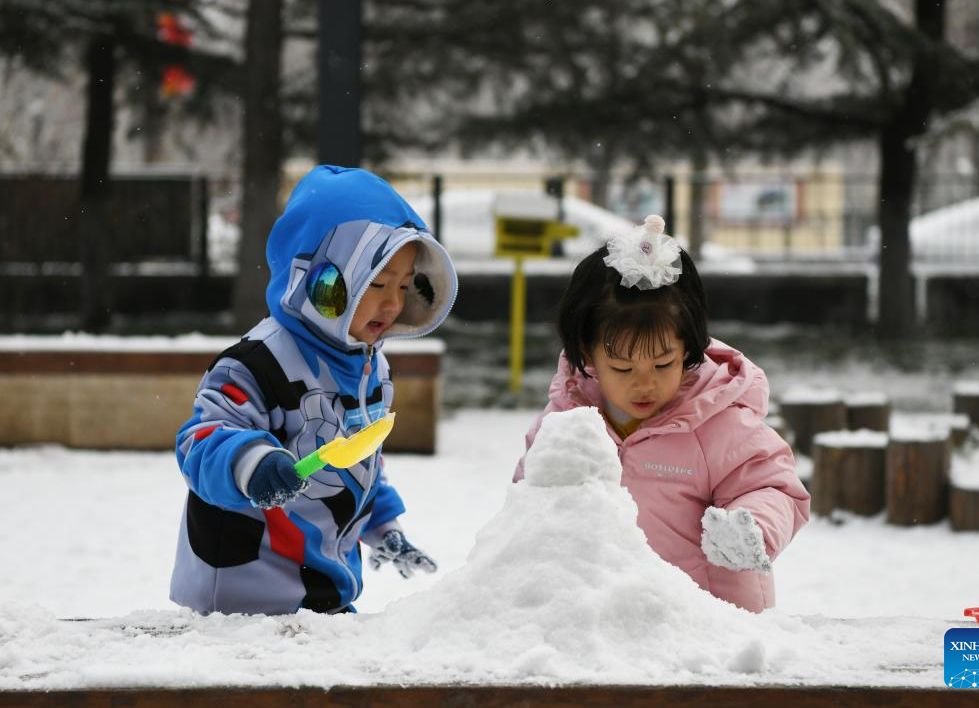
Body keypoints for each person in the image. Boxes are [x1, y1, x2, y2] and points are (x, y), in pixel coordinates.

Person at [170, 166, 458, 615]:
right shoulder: (258, 363)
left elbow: (358, 461)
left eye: (404, 286)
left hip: (323, 595)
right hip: (240, 601)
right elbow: (201, 439)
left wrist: (385, 526)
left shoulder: (371, 368)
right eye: (377, 283)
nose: (393, 303)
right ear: (322, 280)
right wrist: (253, 461)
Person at [514, 215, 810, 613]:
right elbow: (530, 497)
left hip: (709, 623)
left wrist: (752, 526)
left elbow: (771, 487)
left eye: (662, 364)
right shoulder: (568, 418)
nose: (644, 384)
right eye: (622, 369)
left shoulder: (717, 419)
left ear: (688, 349)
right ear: (587, 354)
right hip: (605, 617)